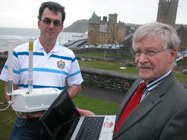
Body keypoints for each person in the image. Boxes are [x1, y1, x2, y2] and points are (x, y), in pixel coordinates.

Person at [0, 1, 84, 140]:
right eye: (47, 21)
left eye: (56, 23)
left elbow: (76, 85)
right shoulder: (18, 52)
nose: (51, 26)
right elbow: (9, 90)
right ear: (39, 23)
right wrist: (19, 104)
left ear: (61, 27)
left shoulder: (68, 55)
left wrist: (59, 105)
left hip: (56, 123)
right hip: (26, 125)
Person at [113, 22, 187, 140]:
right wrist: (100, 122)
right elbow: (127, 124)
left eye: (151, 52)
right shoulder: (140, 83)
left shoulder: (182, 107)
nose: (141, 60)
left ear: (172, 55)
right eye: (138, 52)